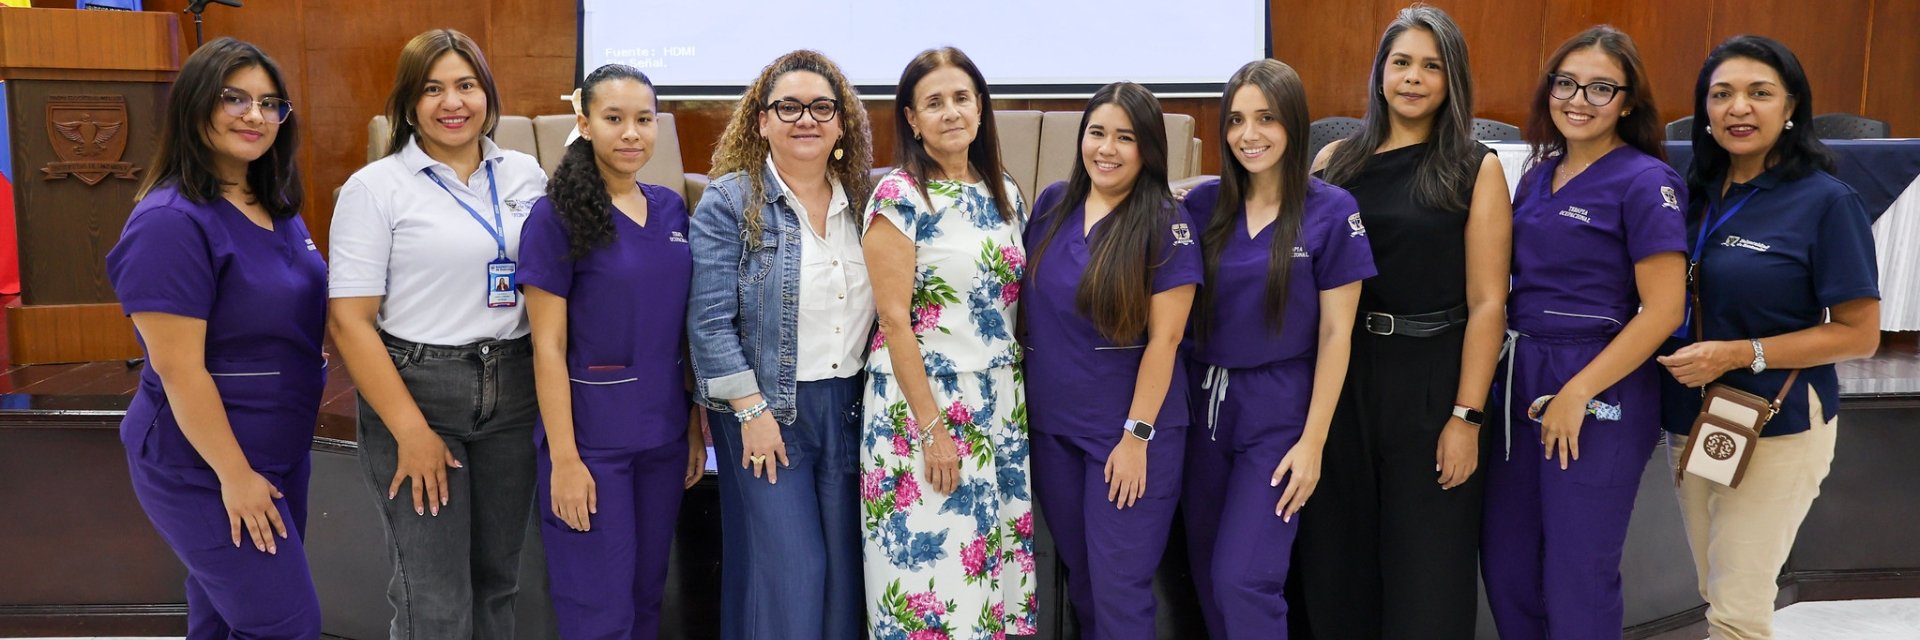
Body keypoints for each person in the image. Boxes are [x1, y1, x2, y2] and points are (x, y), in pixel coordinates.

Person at [1291, 6, 1512, 638]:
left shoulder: (1475, 166)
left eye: (1431, 66)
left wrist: (1466, 417)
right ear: (1381, 72)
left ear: (1452, 79)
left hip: (1433, 379)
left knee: (1427, 575)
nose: (1413, 77)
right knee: (1337, 565)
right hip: (1343, 374)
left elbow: (1489, 303)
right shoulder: (1336, 159)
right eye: (1401, 62)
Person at [1655, 34, 1879, 640]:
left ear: (1791, 107)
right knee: (1717, 589)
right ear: (1704, 109)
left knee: (1738, 609)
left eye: (1759, 93)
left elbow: (1860, 335)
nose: (1738, 108)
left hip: (1776, 420)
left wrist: (1740, 354)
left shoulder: (1826, 202)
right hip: (1693, 416)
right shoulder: (1688, 195)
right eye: (1721, 94)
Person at [328, 29, 549, 640]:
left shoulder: (525, 174)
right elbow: (349, 321)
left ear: (487, 95)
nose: (453, 102)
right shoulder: (376, 188)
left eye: (466, 85)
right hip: (421, 391)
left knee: (497, 584)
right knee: (434, 598)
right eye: (432, 89)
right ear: (408, 103)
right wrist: (410, 431)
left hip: (515, 387)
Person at [106, 37, 324, 640]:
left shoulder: (273, 202)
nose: (255, 115)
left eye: (270, 103)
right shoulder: (169, 222)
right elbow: (179, 370)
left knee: (222, 621)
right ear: (195, 104)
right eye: (235, 98)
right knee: (286, 625)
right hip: (204, 462)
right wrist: (235, 476)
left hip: (280, 447)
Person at [1479, 26, 1688, 640]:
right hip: (1521, 376)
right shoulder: (1537, 175)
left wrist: (1578, 391)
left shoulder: (1647, 182)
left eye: (1600, 88)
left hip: (1600, 384)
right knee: (1509, 566)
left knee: (1578, 572)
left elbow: (1664, 311)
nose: (1578, 99)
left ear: (1628, 102)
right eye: (1566, 83)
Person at [686, 49, 875, 640]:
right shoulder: (729, 201)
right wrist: (751, 412)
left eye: (822, 107)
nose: (806, 119)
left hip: (850, 410)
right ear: (762, 120)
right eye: (788, 107)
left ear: (842, 123)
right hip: (766, 413)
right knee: (792, 573)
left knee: (844, 578)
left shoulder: (867, 202)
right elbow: (708, 322)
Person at [1180, 58, 1372, 640]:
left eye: (1266, 118)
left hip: (1279, 413)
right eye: (1236, 120)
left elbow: (1337, 335)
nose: (1249, 134)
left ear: (1293, 122)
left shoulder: (1332, 210)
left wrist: (1313, 443)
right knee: (1207, 579)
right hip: (1202, 408)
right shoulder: (1201, 207)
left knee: (1244, 580)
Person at [516, 63, 706, 640]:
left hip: (664, 436)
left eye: (644, 120)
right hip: (592, 444)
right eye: (614, 118)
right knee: (598, 612)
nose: (631, 133)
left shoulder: (670, 208)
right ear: (585, 123)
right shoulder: (554, 216)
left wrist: (690, 425)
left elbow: (679, 329)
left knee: (647, 600)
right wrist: (565, 460)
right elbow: (547, 347)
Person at [858, 46, 1037, 638]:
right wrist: (934, 431)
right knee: (932, 591)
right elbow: (893, 320)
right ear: (911, 119)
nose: (951, 112)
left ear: (981, 107)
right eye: (934, 103)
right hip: (924, 408)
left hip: (998, 404)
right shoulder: (899, 196)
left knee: (993, 583)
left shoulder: (1004, 189)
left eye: (961, 98)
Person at [1022, 81, 1201, 640]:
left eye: (1125, 137)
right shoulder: (1053, 205)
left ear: (1148, 148)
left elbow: (1166, 340)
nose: (1107, 148)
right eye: (1097, 132)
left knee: (1120, 590)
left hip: (1127, 435)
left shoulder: (1167, 222)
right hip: (1053, 428)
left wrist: (1136, 437)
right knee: (1083, 583)